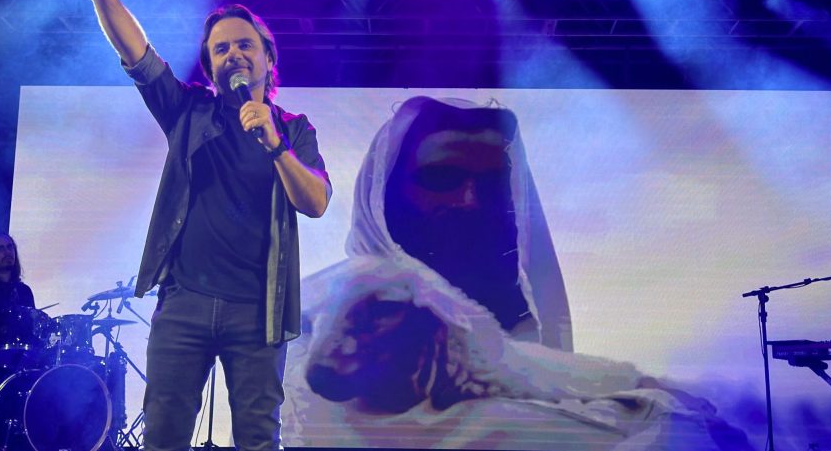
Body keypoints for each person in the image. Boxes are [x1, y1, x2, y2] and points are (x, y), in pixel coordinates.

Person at [282, 96, 747, 450]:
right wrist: (662, 417)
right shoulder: (329, 316)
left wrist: (645, 390)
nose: (471, 202)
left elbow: (517, 367)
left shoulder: (485, 325)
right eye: (442, 178)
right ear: (386, 196)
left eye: (493, 182)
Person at [63, 0, 331, 451]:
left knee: (258, 438)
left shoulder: (294, 129)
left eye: (244, 44)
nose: (234, 53)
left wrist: (275, 146)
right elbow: (137, 54)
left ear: (267, 58)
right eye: (221, 48)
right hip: (184, 304)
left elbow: (316, 202)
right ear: (210, 66)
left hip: (257, 311)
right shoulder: (188, 112)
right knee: (163, 435)